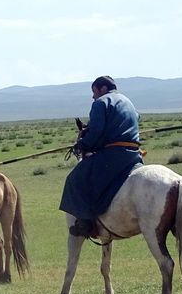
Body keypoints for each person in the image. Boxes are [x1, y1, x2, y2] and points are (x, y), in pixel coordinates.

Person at [59, 76, 144, 237]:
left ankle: (84, 222)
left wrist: (82, 144)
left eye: (94, 91)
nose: (93, 96)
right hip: (134, 155)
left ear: (103, 89)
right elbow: (136, 119)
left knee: (74, 179)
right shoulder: (128, 102)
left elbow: (97, 131)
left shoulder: (101, 103)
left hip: (113, 155)